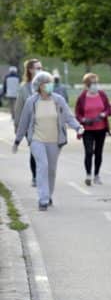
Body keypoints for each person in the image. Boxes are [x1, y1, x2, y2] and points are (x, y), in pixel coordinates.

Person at [12, 71, 84, 210]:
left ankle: (48, 194)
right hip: (37, 139)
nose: (50, 85)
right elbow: (24, 122)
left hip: (54, 141)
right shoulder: (31, 101)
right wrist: (17, 140)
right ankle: (42, 199)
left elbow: (69, 116)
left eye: (50, 82)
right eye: (46, 83)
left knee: (51, 170)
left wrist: (78, 128)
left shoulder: (58, 100)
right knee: (42, 166)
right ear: (39, 86)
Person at [75, 73, 111, 186]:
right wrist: (83, 119)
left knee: (98, 152)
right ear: (87, 85)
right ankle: (88, 174)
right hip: (87, 129)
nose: (95, 85)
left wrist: (103, 114)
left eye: (96, 83)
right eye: (92, 83)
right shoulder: (82, 97)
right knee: (89, 152)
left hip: (101, 128)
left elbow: (109, 110)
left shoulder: (102, 95)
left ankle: (96, 175)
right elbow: (77, 113)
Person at [14, 59, 43, 187]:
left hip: (46, 125)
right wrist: (18, 127)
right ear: (30, 70)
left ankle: (43, 174)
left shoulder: (46, 84)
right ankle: (35, 176)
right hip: (30, 126)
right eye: (37, 68)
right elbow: (19, 108)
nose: (40, 70)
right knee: (34, 151)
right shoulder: (24, 88)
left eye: (41, 68)